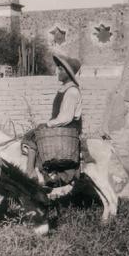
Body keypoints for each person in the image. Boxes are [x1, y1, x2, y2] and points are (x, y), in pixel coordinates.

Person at [25, 53, 83, 184]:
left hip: (68, 129)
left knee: (33, 137)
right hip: (62, 127)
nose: (58, 72)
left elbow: (66, 117)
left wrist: (48, 124)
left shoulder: (72, 92)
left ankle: (30, 172)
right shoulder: (64, 89)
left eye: (61, 69)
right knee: (34, 132)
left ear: (68, 73)